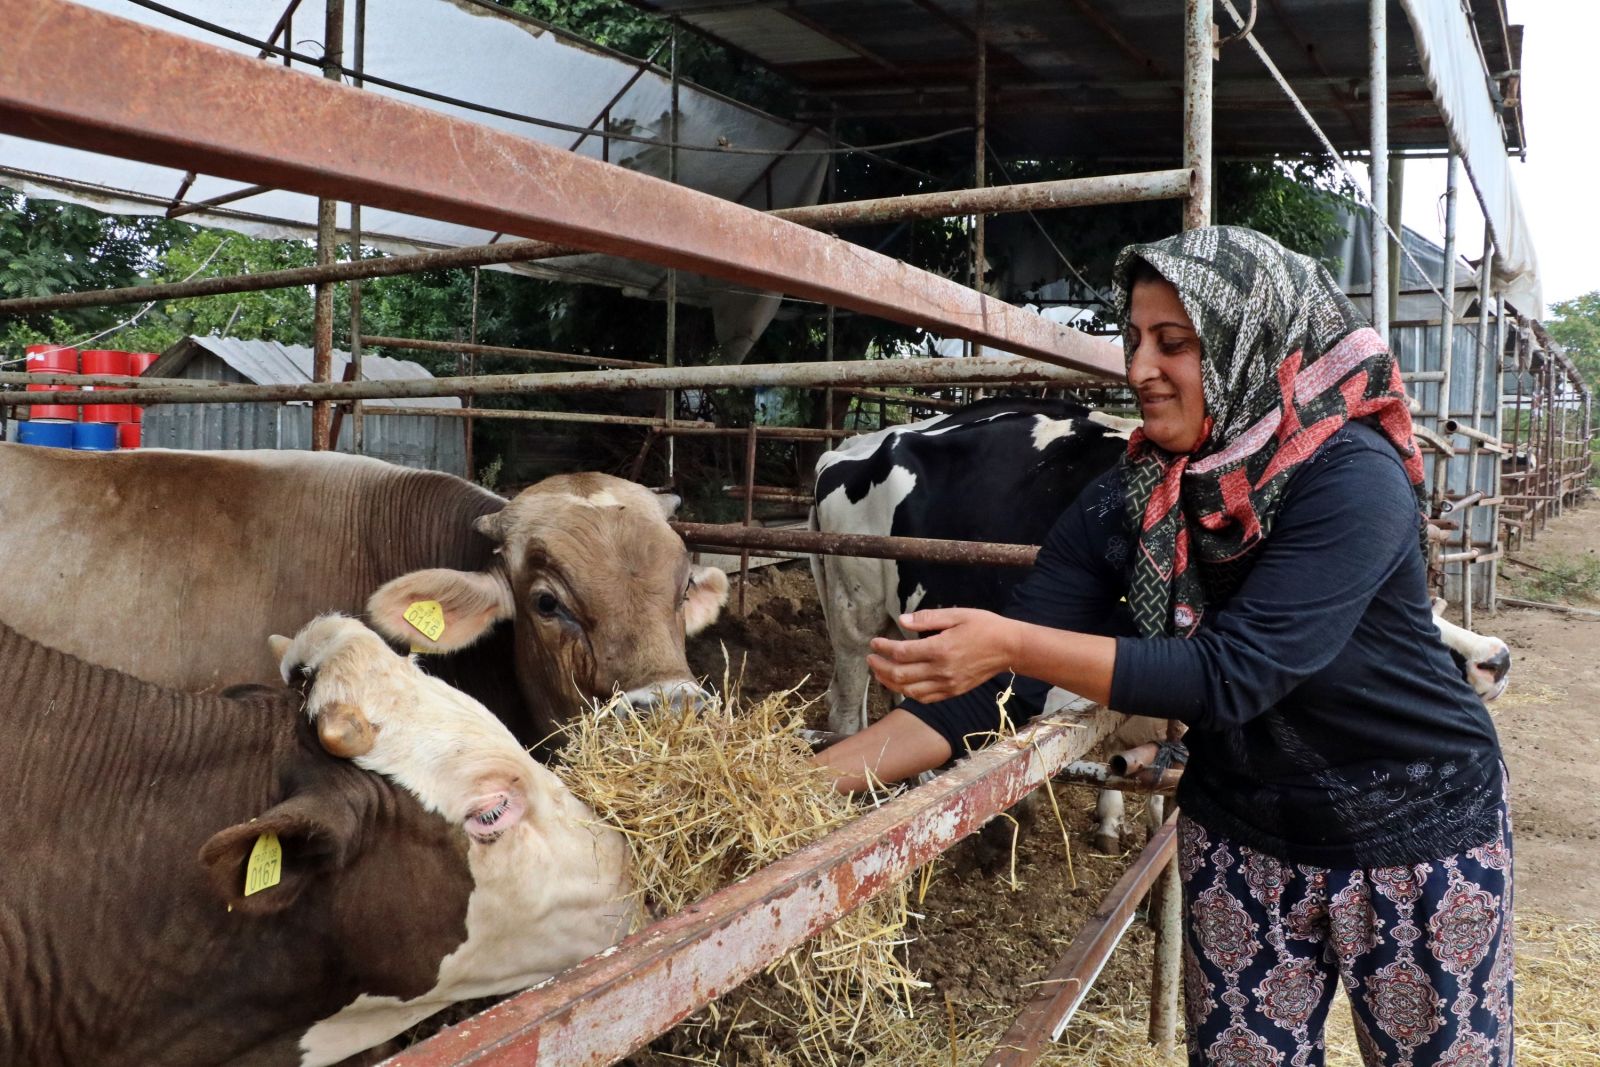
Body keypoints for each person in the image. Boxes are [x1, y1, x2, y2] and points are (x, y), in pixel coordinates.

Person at [815, 226, 1513, 1066]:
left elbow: (1234, 674)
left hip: (1416, 840)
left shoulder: (1350, 475)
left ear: (1244, 341)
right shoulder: (1133, 499)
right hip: (1243, 838)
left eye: (1173, 343)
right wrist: (786, 791)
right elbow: (986, 696)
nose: (1139, 366)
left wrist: (1009, 640)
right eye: (1134, 339)